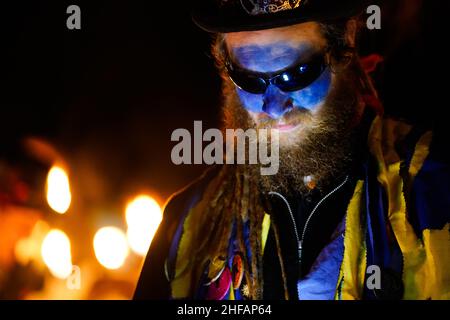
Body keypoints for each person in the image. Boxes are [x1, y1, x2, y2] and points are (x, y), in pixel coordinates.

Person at [134, 0, 450, 300]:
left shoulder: (434, 186)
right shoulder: (187, 222)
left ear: (345, 43)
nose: (273, 106)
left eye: (296, 74)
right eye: (250, 80)